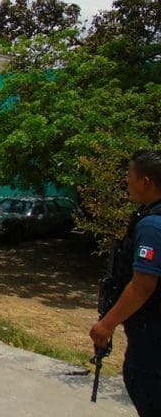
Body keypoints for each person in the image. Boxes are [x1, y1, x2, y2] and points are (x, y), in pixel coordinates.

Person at [90, 150, 161, 416]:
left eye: (130, 176)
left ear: (146, 182)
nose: (126, 181)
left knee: (144, 386)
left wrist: (106, 324)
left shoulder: (152, 226)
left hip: (152, 335)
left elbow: (143, 285)